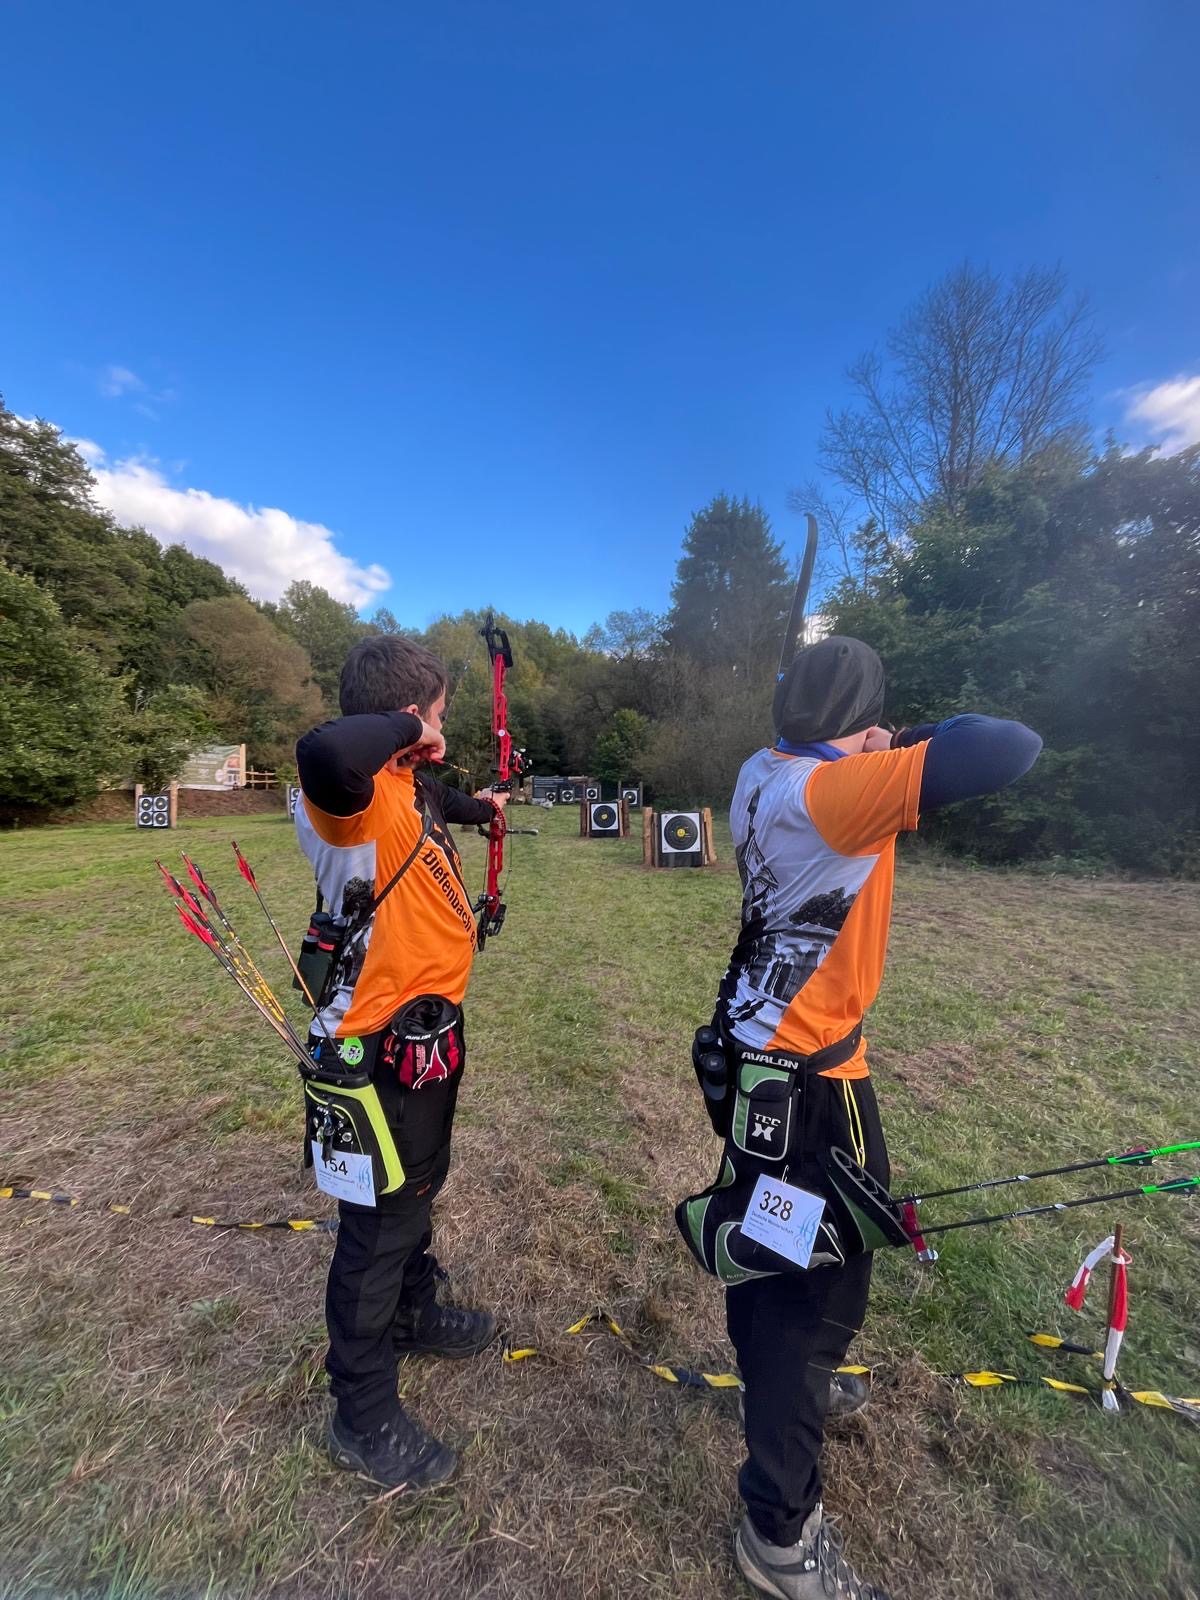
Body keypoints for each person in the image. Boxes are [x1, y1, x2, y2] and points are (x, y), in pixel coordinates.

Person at [698, 635, 1042, 1600]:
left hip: (769, 1066)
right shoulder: (841, 792)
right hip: (810, 1089)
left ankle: (794, 1384)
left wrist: (867, 741)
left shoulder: (763, 771)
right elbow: (1010, 745)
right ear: (858, 720)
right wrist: (902, 741)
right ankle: (778, 1531)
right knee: (803, 1294)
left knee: (806, 1265)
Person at [295, 634, 508, 1492]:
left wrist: (481, 806)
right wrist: (413, 727)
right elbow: (324, 750)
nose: (441, 733)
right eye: (439, 715)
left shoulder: (401, 785)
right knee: (377, 1226)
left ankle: (414, 1313)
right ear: (411, 717)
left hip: (424, 1033)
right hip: (373, 1045)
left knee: (416, 1190)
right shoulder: (345, 795)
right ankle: (360, 1411)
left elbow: (437, 800)